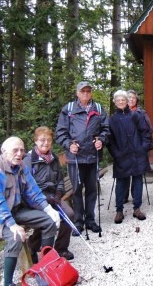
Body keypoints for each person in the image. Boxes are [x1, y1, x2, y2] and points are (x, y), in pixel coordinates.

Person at [0, 136, 61, 286]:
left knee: (49, 221)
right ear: (4, 151)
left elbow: (33, 191)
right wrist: (12, 224)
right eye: (15, 150)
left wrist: (48, 208)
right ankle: (8, 283)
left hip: (15, 210)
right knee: (16, 235)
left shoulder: (21, 166)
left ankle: (45, 269)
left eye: (22, 150)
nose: (19, 154)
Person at [55, 81, 109, 234]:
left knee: (92, 189)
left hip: (92, 156)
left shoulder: (98, 108)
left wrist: (101, 140)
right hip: (75, 158)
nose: (85, 93)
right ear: (77, 93)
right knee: (77, 190)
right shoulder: (68, 109)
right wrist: (68, 145)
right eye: (82, 91)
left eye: (88, 91)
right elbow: (61, 132)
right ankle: (79, 221)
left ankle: (90, 220)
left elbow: (106, 129)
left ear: (91, 93)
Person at [23, 127, 74, 261]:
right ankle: (33, 245)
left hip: (53, 196)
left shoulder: (53, 158)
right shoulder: (29, 160)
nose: (45, 143)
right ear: (35, 141)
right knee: (48, 217)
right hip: (36, 198)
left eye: (49, 140)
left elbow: (60, 179)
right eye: (42, 140)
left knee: (69, 214)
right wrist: (45, 198)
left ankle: (61, 248)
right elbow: (27, 186)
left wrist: (58, 194)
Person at [107, 90, 153, 223]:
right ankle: (119, 210)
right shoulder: (112, 120)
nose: (121, 102)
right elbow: (110, 140)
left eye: (123, 99)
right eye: (118, 100)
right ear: (115, 102)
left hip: (138, 154)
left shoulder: (136, 116)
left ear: (127, 101)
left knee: (138, 180)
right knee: (121, 182)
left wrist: (143, 148)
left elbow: (146, 132)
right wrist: (116, 154)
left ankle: (137, 208)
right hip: (121, 155)